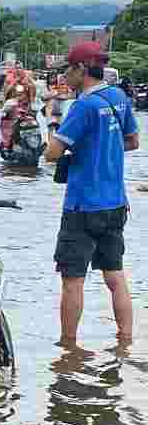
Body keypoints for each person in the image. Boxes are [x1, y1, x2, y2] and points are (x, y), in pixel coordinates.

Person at [43, 42, 139, 345]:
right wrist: (102, 150)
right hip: (115, 204)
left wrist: (51, 121)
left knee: (72, 282)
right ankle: (125, 342)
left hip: (83, 206)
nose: (64, 77)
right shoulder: (119, 98)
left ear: (81, 69)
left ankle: (67, 348)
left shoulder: (82, 106)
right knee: (115, 276)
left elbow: (52, 153)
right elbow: (133, 142)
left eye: (67, 70)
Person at [1, 68, 39, 149]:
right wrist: (14, 83)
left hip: (26, 108)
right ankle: (8, 143)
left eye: (21, 72)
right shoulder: (11, 83)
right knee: (8, 124)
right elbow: (6, 94)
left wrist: (28, 84)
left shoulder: (29, 84)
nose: (20, 74)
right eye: (17, 72)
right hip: (14, 110)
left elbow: (32, 97)